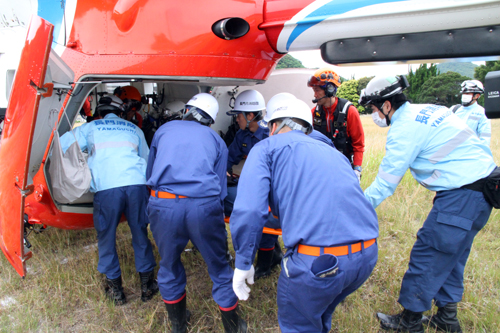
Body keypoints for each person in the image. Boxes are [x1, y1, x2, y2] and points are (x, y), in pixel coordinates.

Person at [230, 94, 379, 333]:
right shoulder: (331, 150)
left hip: (320, 262)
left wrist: (243, 261)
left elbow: (249, 210)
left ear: (275, 125)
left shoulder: (266, 148)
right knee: (320, 312)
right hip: (367, 255)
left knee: (298, 324)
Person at [359, 75, 497, 333]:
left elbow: (385, 184)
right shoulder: (430, 109)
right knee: (452, 256)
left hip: (462, 196)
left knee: (430, 252)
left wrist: (356, 208)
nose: (374, 114)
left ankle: (409, 322)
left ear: (387, 105)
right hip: (483, 191)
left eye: (374, 108)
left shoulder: (403, 129)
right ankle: (446, 318)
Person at [146, 93, 247, 333]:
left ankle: (178, 326)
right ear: (210, 120)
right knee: (220, 267)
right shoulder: (216, 140)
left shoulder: (163, 131)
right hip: (203, 206)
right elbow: (221, 190)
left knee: (169, 265)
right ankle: (233, 327)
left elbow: (149, 174)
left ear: (186, 110)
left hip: (164, 204)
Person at [60, 95, 158, 305]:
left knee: (106, 236)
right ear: (121, 113)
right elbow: (147, 160)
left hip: (107, 188)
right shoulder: (134, 129)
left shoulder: (91, 128)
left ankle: (116, 292)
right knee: (140, 232)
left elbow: (62, 145)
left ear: (100, 113)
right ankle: (147, 286)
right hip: (136, 185)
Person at [224, 89, 282, 280]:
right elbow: (230, 157)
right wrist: (223, 170)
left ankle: (265, 265)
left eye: (239, 115)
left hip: (273, 187)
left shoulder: (271, 135)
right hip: (256, 185)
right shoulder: (242, 135)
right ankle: (274, 255)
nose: (236, 120)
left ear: (250, 115)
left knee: (265, 218)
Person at [307, 68, 365, 181]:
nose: (314, 94)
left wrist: (357, 169)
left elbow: (358, 144)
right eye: (313, 90)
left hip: (345, 165)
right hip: (322, 167)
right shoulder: (314, 113)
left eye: (317, 90)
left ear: (330, 89)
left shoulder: (349, 111)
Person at [451, 80, 491, 146]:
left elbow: (485, 138)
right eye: (463, 93)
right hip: (450, 152)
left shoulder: (482, 112)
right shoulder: (454, 109)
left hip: (468, 152)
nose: (464, 96)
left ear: (477, 96)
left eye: (467, 94)